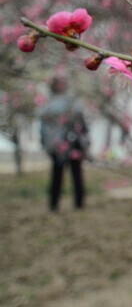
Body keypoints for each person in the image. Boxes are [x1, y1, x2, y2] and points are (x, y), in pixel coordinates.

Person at [39, 77, 89, 212]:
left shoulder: (70, 102)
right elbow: (44, 126)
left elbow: (81, 121)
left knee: (75, 174)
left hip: (71, 142)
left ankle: (78, 203)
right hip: (58, 145)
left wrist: (83, 140)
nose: (62, 86)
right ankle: (55, 204)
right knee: (58, 175)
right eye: (59, 84)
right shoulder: (49, 104)